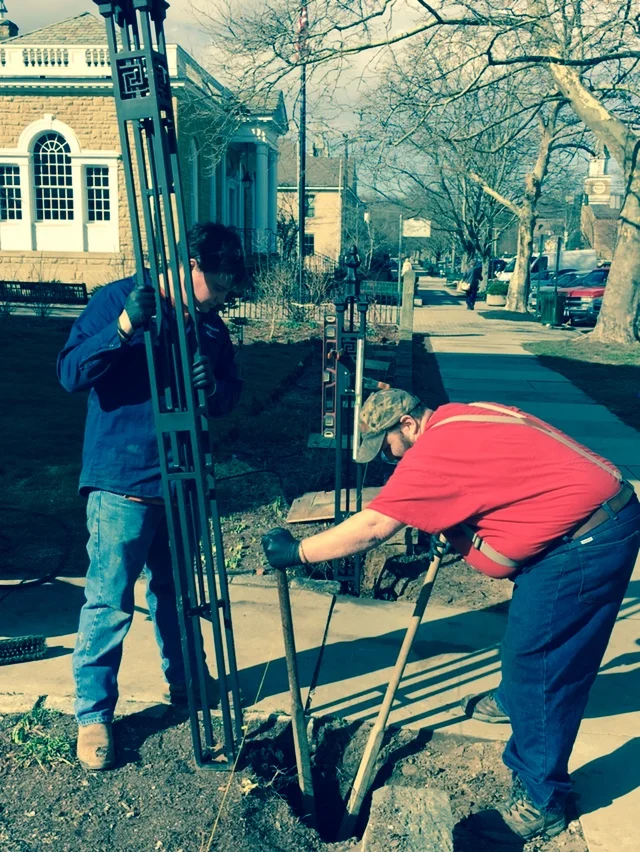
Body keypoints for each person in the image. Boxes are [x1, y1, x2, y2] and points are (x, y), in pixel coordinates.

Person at [262, 388, 639, 844]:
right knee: (528, 641)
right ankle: (515, 701)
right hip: (582, 525)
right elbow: (499, 479)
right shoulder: (461, 416)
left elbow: (374, 527)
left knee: (542, 665)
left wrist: (299, 551)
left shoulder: (434, 453)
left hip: (585, 540)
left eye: (387, 447)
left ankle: (543, 801)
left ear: (406, 424)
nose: (388, 459)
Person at [58, 222, 245, 771]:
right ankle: (94, 714)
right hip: (123, 480)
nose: (225, 295)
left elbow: (230, 396)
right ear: (192, 265)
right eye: (221, 283)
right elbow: (70, 373)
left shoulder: (210, 327)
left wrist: (212, 387)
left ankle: (187, 684)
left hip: (183, 480)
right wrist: (122, 328)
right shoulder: (118, 299)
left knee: (179, 594)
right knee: (109, 601)